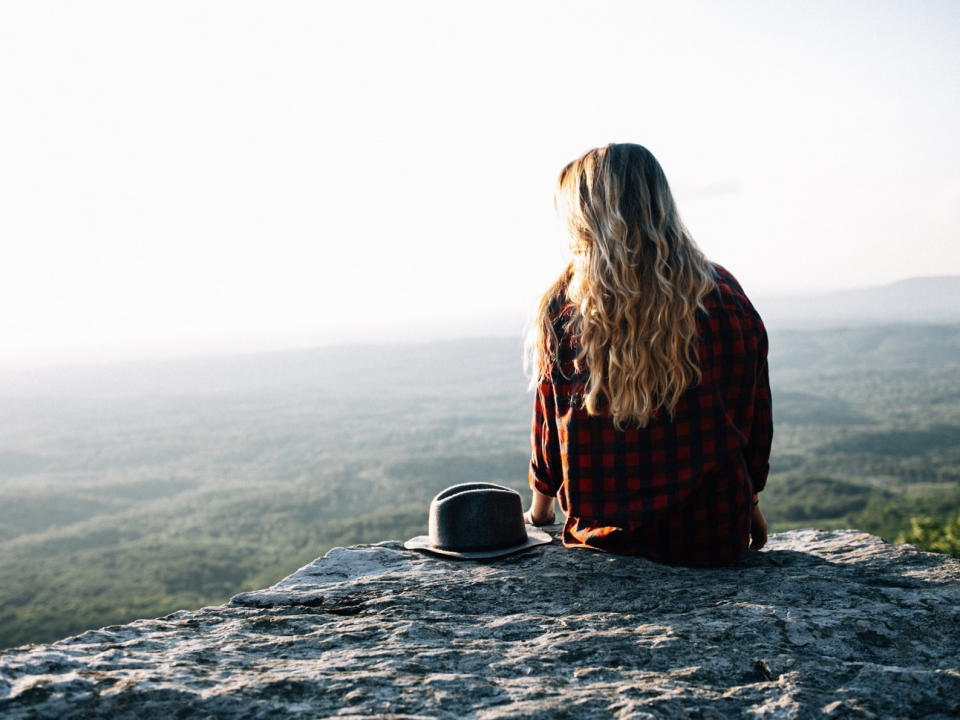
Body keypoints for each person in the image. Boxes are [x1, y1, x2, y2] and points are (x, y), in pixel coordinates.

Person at [522, 143, 772, 568]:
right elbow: (749, 419)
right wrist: (749, 507)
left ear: (582, 219)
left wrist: (538, 516)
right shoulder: (723, 294)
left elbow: (551, 434)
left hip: (603, 542)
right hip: (711, 536)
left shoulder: (564, 305)